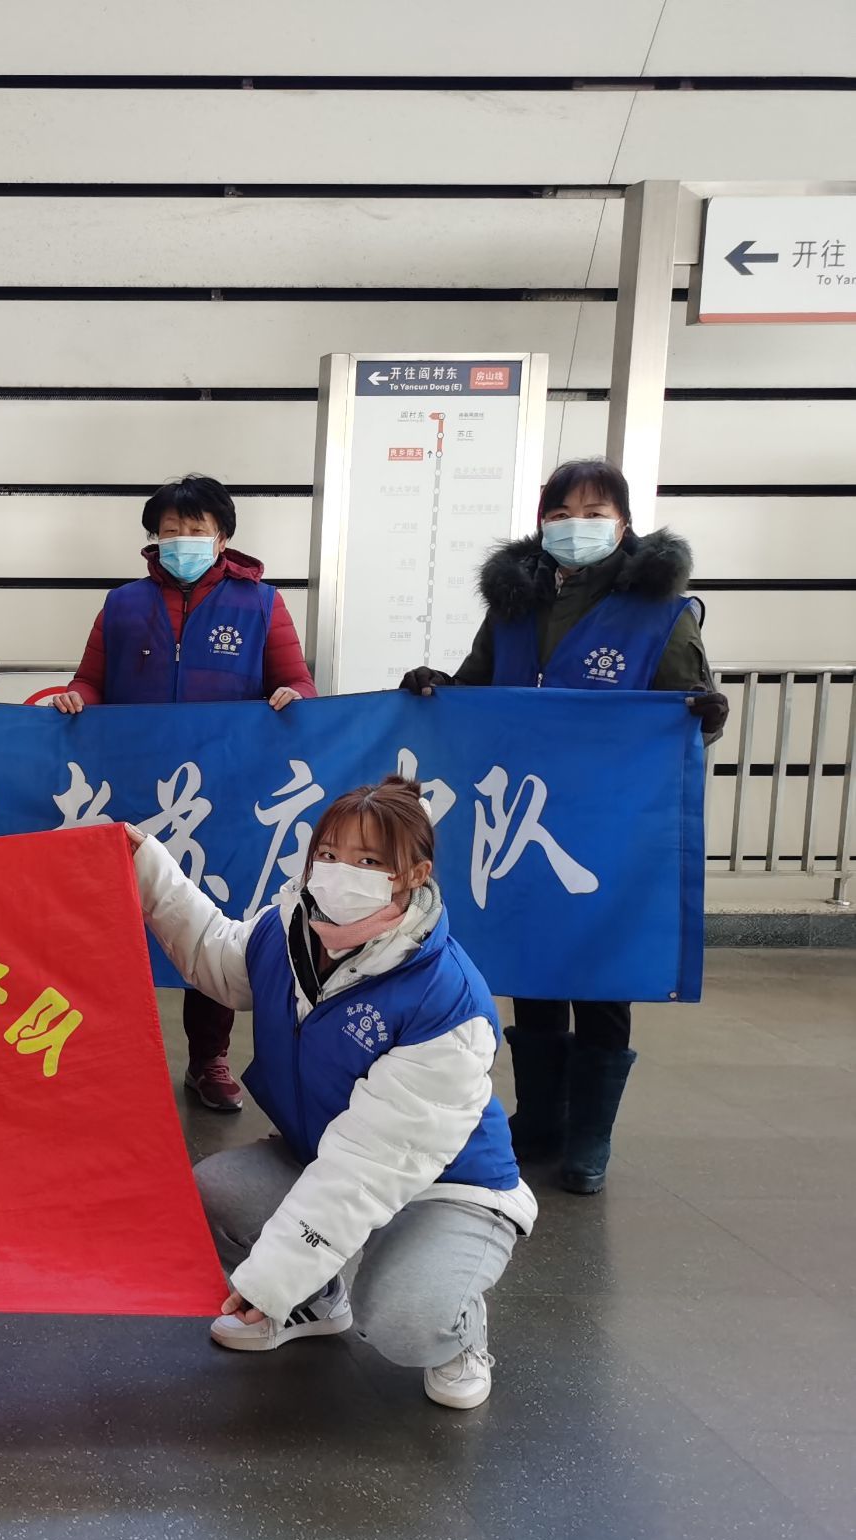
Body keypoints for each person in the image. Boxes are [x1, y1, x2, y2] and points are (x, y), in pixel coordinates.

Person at [130, 775, 535, 1411]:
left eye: (369, 861)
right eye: (328, 853)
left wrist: (270, 1278)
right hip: (325, 1153)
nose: (341, 872)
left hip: (447, 1187)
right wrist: (146, 867)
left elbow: (372, 1162)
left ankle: (457, 1331)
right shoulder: (289, 930)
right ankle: (314, 1302)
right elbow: (215, 954)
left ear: (414, 874)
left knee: (401, 1320)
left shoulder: (445, 998)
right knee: (215, 1191)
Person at [401, 458, 726, 1196]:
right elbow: (475, 692)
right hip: (522, 818)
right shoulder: (514, 608)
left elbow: (685, 717)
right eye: (561, 511)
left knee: (602, 975)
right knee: (534, 965)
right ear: (542, 521)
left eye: (594, 511)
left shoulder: (661, 613)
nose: (576, 525)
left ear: (623, 522)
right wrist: (436, 688)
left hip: (609, 826)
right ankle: (540, 1118)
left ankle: (590, 1134)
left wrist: (706, 715)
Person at [37, 473, 316, 1115]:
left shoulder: (261, 605)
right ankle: (104, 1057)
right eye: (170, 530)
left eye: (196, 529)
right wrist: (77, 697)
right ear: (154, 538)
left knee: (208, 918)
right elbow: (91, 680)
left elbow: (297, 682)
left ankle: (208, 1060)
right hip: (131, 783)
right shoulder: (123, 604)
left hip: (219, 792)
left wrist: (293, 696)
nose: (182, 540)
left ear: (222, 538)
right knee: (114, 919)